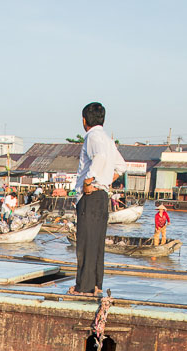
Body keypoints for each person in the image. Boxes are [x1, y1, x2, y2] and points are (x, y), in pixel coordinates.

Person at [70, 102, 127, 296]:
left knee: (85, 241)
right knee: (97, 242)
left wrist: (89, 181)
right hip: (102, 194)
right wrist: (104, 181)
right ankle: (95, 285)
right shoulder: (107, 140)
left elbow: (100, 158)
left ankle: (83, 287)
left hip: (91, 195)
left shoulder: (92, 136)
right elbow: (121, 167)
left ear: (84, 120)